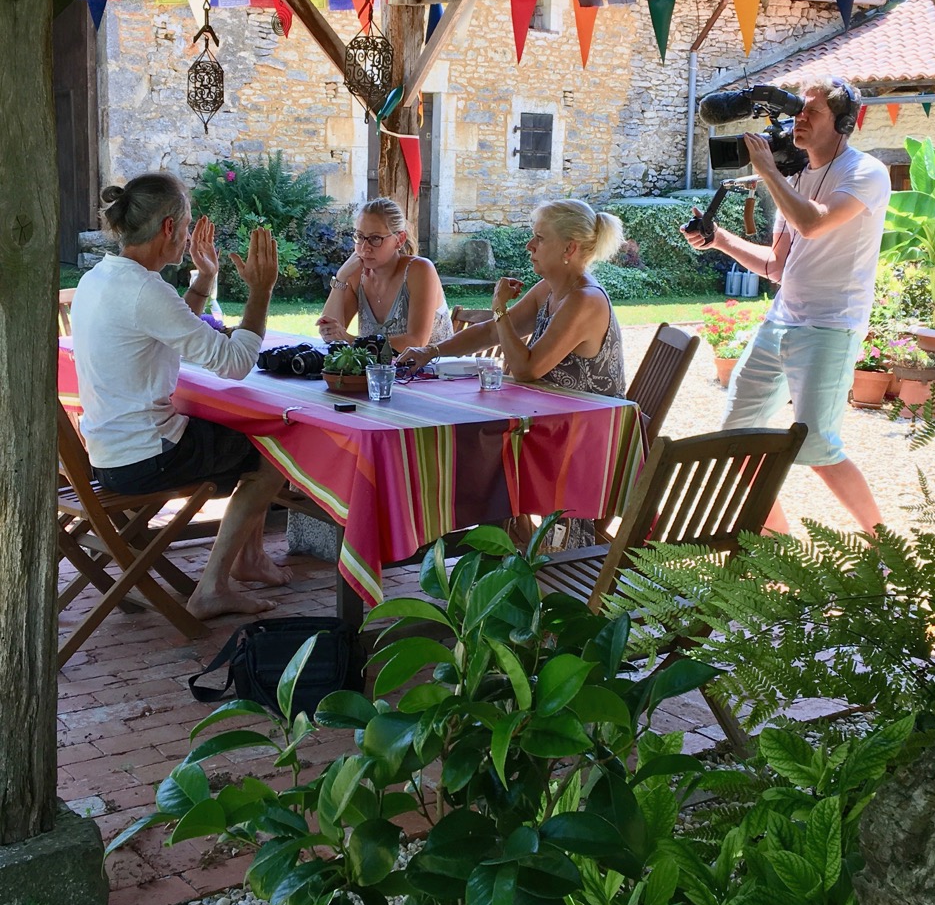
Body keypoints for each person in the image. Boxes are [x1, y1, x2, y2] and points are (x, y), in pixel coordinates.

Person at [70, 171, 289, 621]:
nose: (188, 236)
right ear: (168, 228)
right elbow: (234, 363)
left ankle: (246, 559)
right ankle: (213, 587)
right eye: (186, 226)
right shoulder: (144, 290)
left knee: (237, 435)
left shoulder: (101, 278)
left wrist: (205, 278)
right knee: (272, 456)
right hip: (143, 459)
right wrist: (261, 292)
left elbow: (169, 329)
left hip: (107, 453)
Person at [682, 75, 891, 535]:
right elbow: (777, 266)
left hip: (830, 327)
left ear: (843, 122)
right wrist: (718, 239)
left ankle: (887, 554)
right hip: (781, 321)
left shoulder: (865, 173)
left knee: (816, 446)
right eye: (799, 111)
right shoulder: (795, 177)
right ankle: (780, 549)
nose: (800, 119)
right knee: (734, 440)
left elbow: (814, 224)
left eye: (811, 112)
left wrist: (770, 172)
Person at [398, 199, 626, 397]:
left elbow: (525, 370)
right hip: (552, 413)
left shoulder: (585, 300)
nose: (530, 246)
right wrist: (430, 351)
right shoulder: (548, 289)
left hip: (592, 423)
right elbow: (489, 333)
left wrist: (499, 307)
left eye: (540, 238)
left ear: (569, 249)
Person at [316, 197, 453, 350]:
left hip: (438, 371)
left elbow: (416, 341)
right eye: (360, 237)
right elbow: (330, 332)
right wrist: (341, 277)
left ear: (399, 240)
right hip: (381, 372)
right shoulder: (355, 274)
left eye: (375, 238)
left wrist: (351, 341)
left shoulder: (419, 270)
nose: (365, 248)